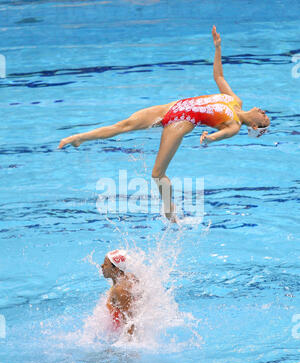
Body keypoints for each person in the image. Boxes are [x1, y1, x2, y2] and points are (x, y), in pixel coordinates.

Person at [58, 25, 270, 222]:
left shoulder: (233, 126)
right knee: (124, 124)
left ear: (254, 127)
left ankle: (169, 208)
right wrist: (217, 47)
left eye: (264, 118)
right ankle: (78, 138)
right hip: (171, 107)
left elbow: (217, 136)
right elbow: (219, 76)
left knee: (157, 173)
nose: (263, 112)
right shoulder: (236, 100)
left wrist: (208, 138)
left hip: (182, 121)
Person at [101, 249, 137, 335]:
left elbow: (130, 322)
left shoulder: (119, 290)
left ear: (116, 269)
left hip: (119, 335)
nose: (102, 266)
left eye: (106, 264)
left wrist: (127, 345)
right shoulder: (129, 277)